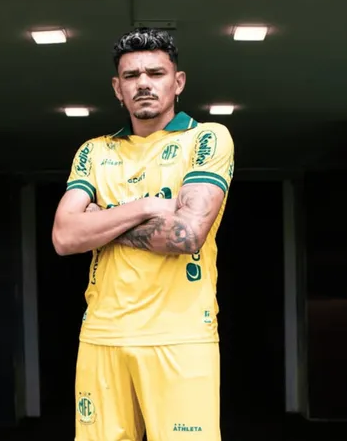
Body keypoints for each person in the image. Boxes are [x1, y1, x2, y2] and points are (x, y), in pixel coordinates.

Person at [52, 27, 235, 441]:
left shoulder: (207, 138)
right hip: (102, 334)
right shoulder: (94, 151)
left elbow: (187, 235)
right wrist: (146, 207)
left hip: (180, 335)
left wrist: (101, 222)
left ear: (178, 82)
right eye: (131, 76)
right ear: (118, 88)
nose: (143, 84)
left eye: (155, 73)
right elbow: (64, 236)